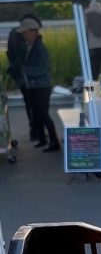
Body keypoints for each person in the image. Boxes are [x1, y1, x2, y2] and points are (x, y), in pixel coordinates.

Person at [17, 18, 59, 153]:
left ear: (32, 32)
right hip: (34, 86)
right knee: (36, 113)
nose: (23, 35)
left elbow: (44, 68)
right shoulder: (29, 46)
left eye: (25, 32)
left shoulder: (40, 48)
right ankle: (42, 139)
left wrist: (26, 70)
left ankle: (54, 141)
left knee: (43, 114)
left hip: (42, 86)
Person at [6, 13, 43, 141]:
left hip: (21, 75)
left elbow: (10, 54)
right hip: (27, 76)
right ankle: (36, 131)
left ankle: (35, 131)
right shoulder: (21, 36)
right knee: (33, 104)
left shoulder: (13, 34)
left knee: (30, 104)